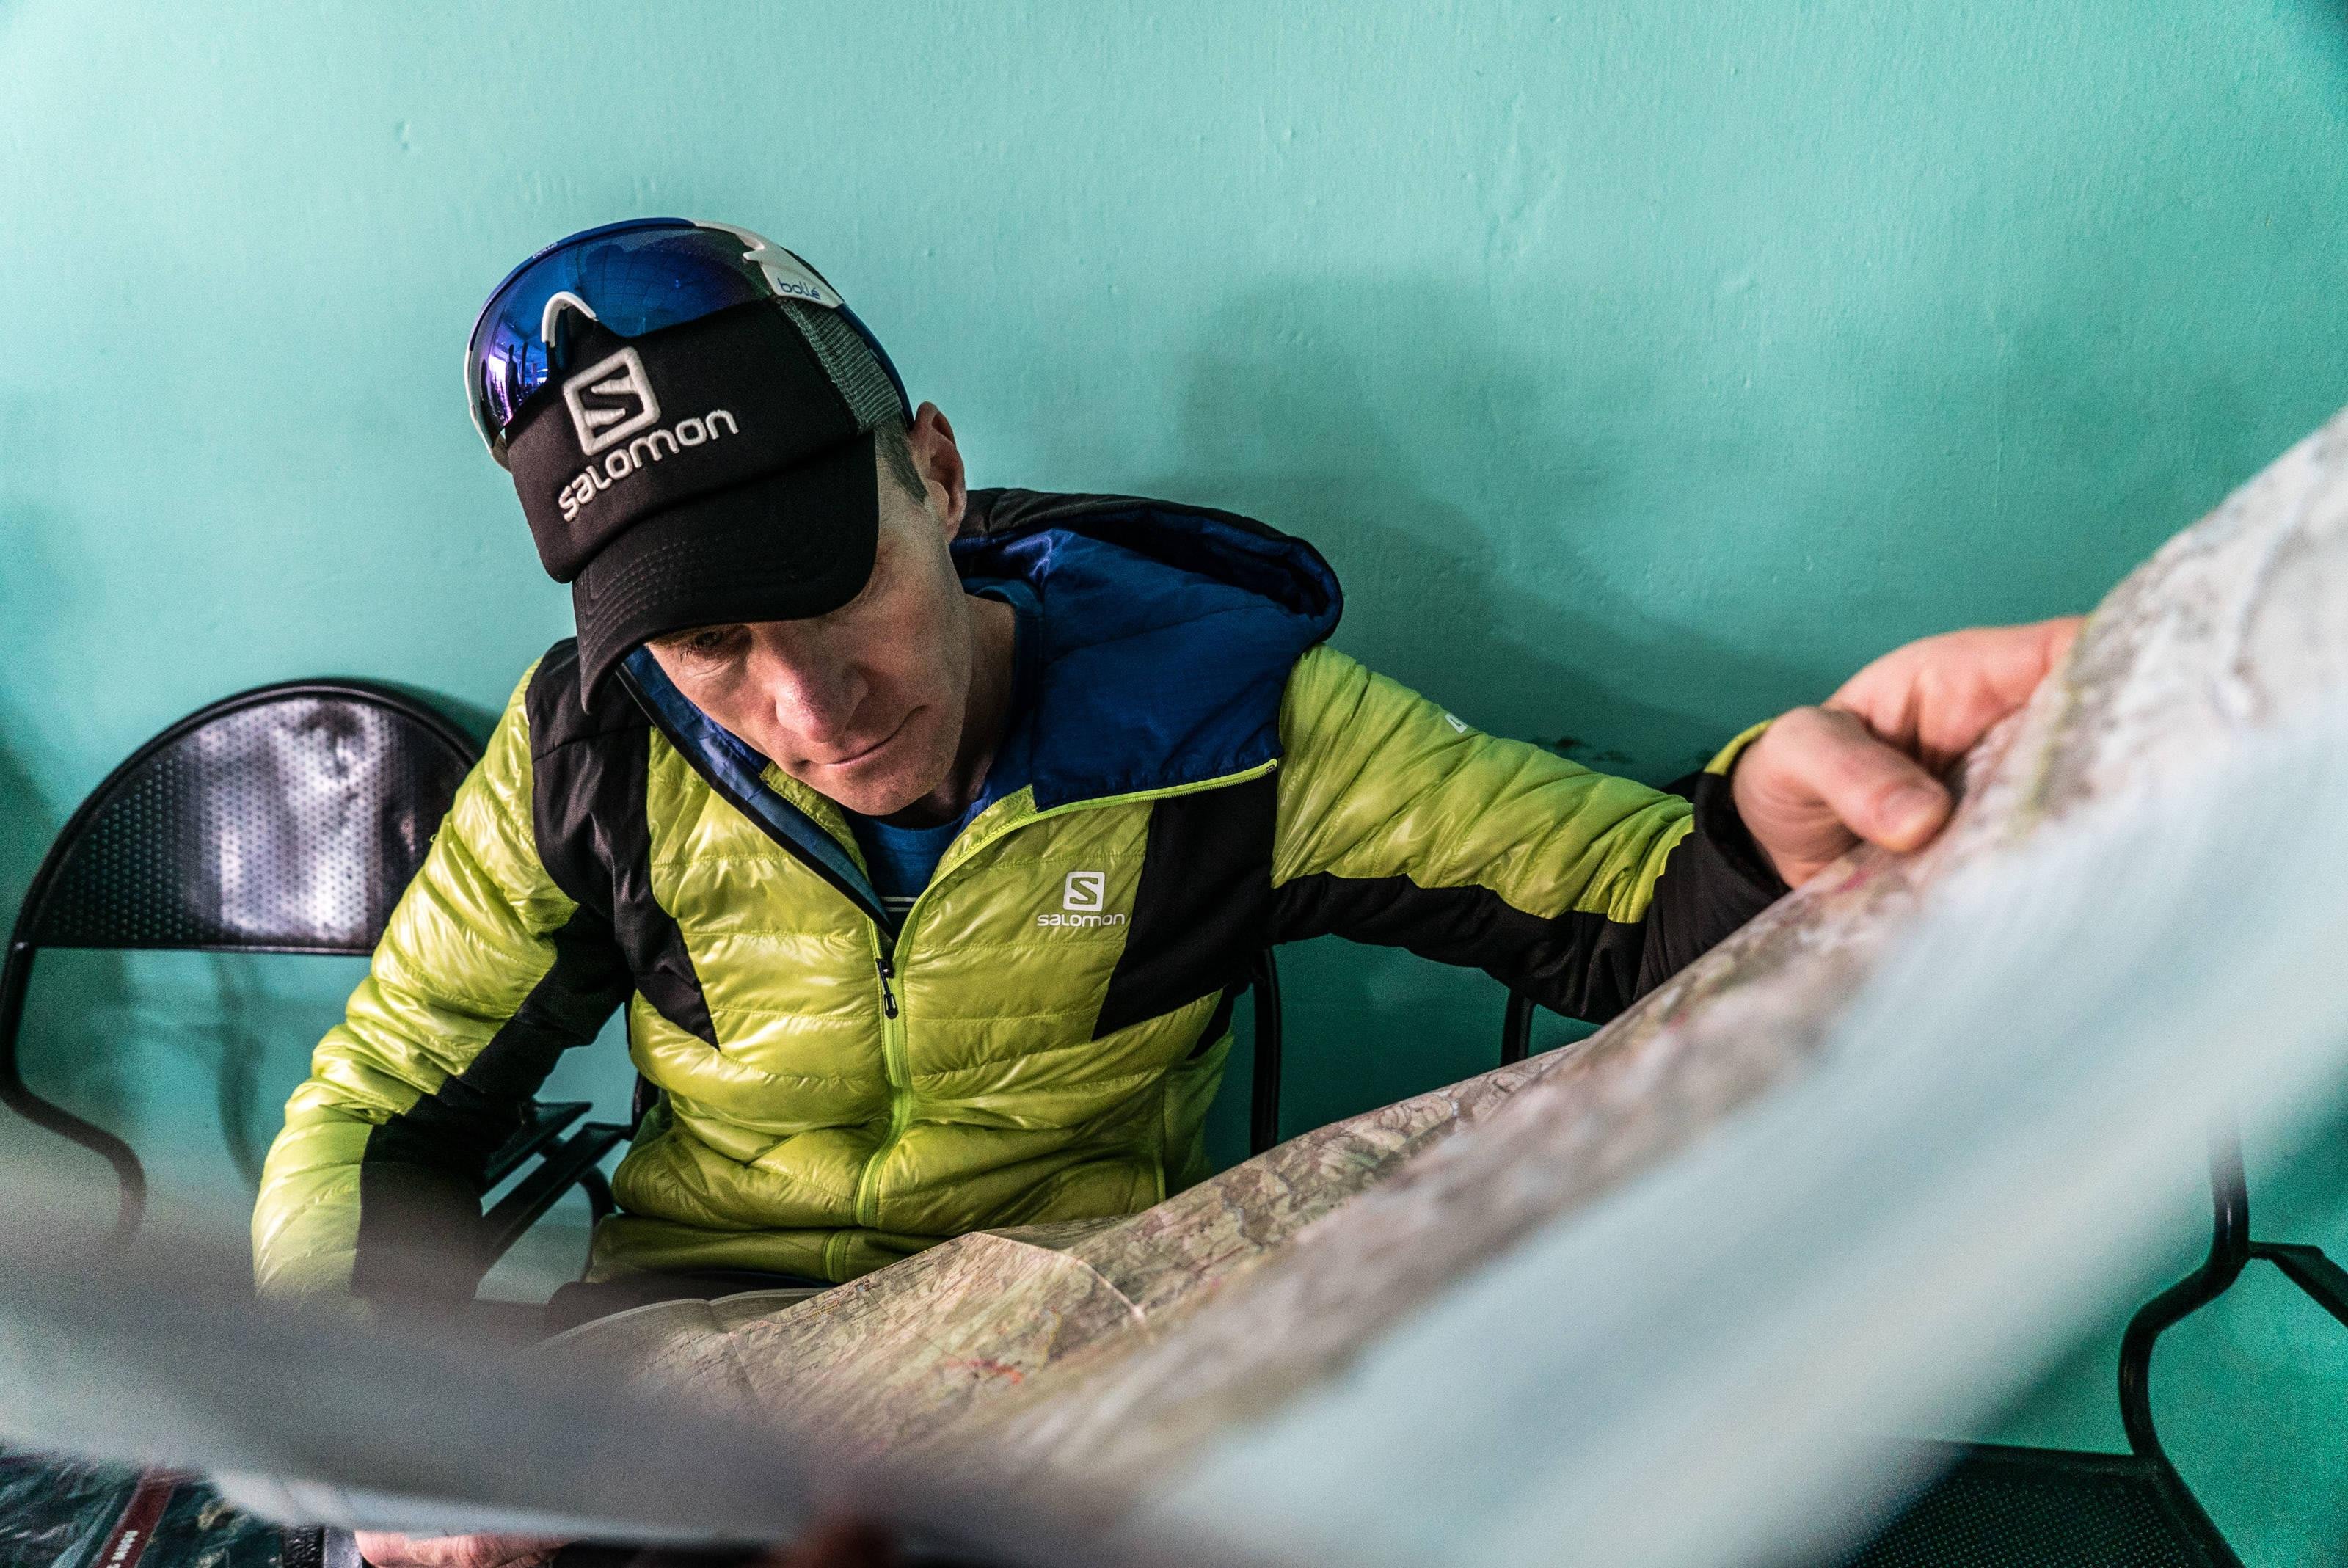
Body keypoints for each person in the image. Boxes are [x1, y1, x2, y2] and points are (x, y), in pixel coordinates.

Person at [247, 219, 2076, 1567]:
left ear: (934, 474)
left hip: (1060, 1366)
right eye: (711, 642)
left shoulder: (1215, 718)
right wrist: (385, 1415)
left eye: (828, 585)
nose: (808, 705)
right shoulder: (591, 749)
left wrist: (1768, 826)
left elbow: (1624, 902)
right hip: (677, 1371)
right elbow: (382, 1103)